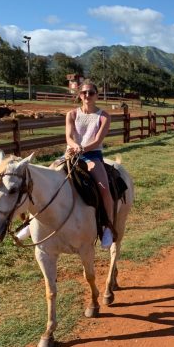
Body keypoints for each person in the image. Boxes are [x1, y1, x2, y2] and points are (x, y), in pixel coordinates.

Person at [65, 81, 115, 247]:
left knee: (104, 188)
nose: (87, 95)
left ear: (97, 95)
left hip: (92, 154)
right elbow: (69, 137)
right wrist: (75, 147)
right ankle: (32, 222)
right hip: (72, 152)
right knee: (46, 178)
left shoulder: (103, 116)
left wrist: (82, 149)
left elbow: (97, 141)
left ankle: (108, 226)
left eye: (91, 93)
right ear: (79, 95)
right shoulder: (72, 114)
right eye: (84, 93)